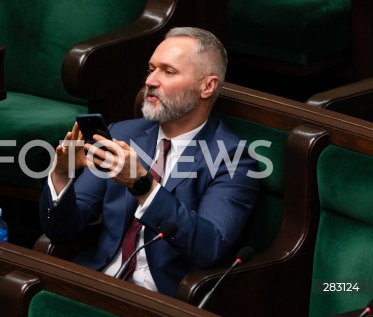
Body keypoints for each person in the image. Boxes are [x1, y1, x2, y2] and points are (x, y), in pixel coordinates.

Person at [39, 27, 260, 296]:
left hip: (162, 297)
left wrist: (143, 186)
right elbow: (63, 230)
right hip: (96, 281)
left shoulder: (233, 158)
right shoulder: (122, 134)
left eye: (168, 72)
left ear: (207, 86)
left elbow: (209, 247)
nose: (150, 81)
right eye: (150, 69)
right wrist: (61, 176)